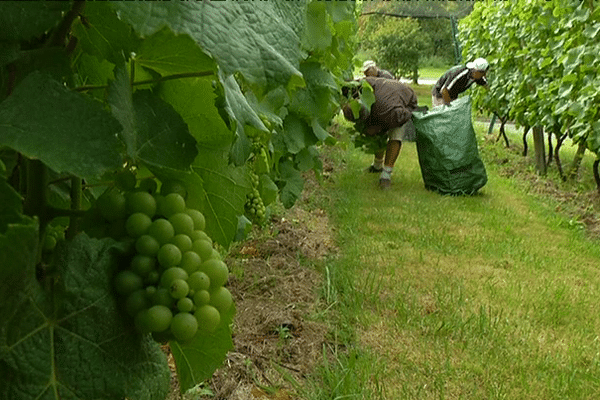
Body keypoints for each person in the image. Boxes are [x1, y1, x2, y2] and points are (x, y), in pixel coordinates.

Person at [342, 76, 418, 190]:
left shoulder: (390, 112)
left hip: (405, 100)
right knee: (378, 134)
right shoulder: (357, 90)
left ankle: (386, 175)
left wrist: (379, 128)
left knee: (395, 135)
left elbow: (403, 117)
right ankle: (377, 166)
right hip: (386, 90)